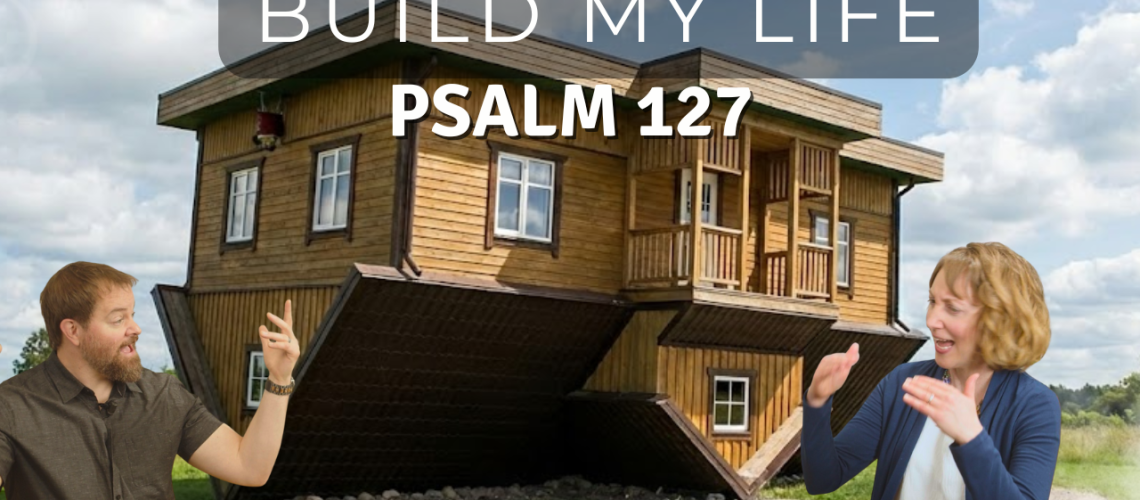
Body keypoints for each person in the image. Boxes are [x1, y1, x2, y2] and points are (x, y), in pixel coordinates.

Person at [0, 261, 302, 499]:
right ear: (73, 331)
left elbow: (248, 467)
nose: (136, 328)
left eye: (132, 315)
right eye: (118, 319)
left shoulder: (164, 394)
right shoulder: (11, 405)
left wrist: (279, 378)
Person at [801, 242, 1060, 500]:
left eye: (953, 308)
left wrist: (971, 438)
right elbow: (823, 478)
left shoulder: (1035, 405)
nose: (931, 321)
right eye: (932, 301)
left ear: (1000, 320)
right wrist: (817, 401)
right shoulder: (901, 382)